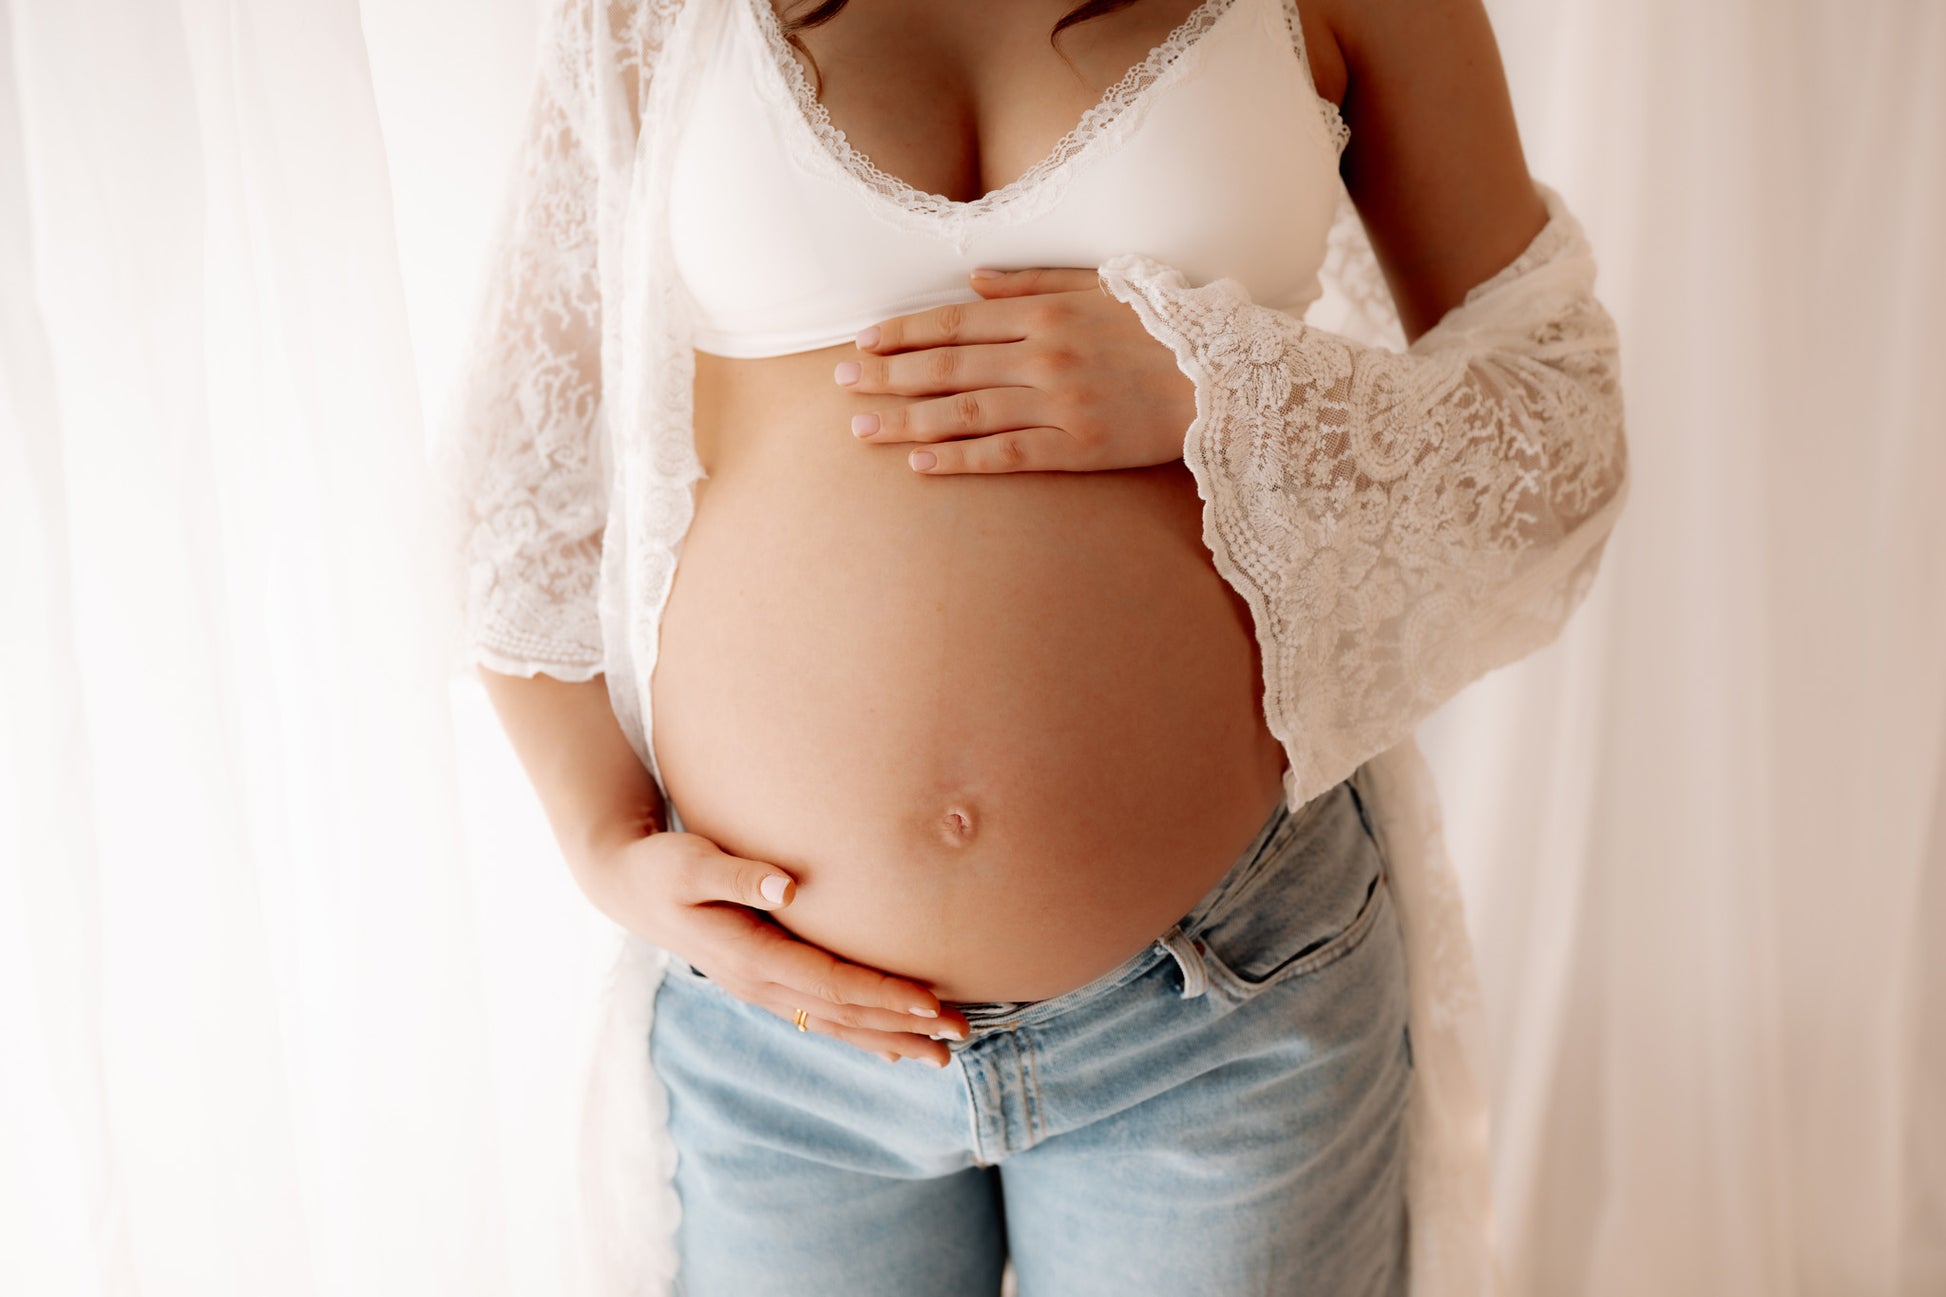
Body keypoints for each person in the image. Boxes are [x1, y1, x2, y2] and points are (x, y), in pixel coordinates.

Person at [441, 0, 1630, 1291]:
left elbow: (1558, 422)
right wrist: (602, 844)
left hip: (1219, 1016)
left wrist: (1214, 394)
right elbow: (520, 465)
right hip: (778, 1046)